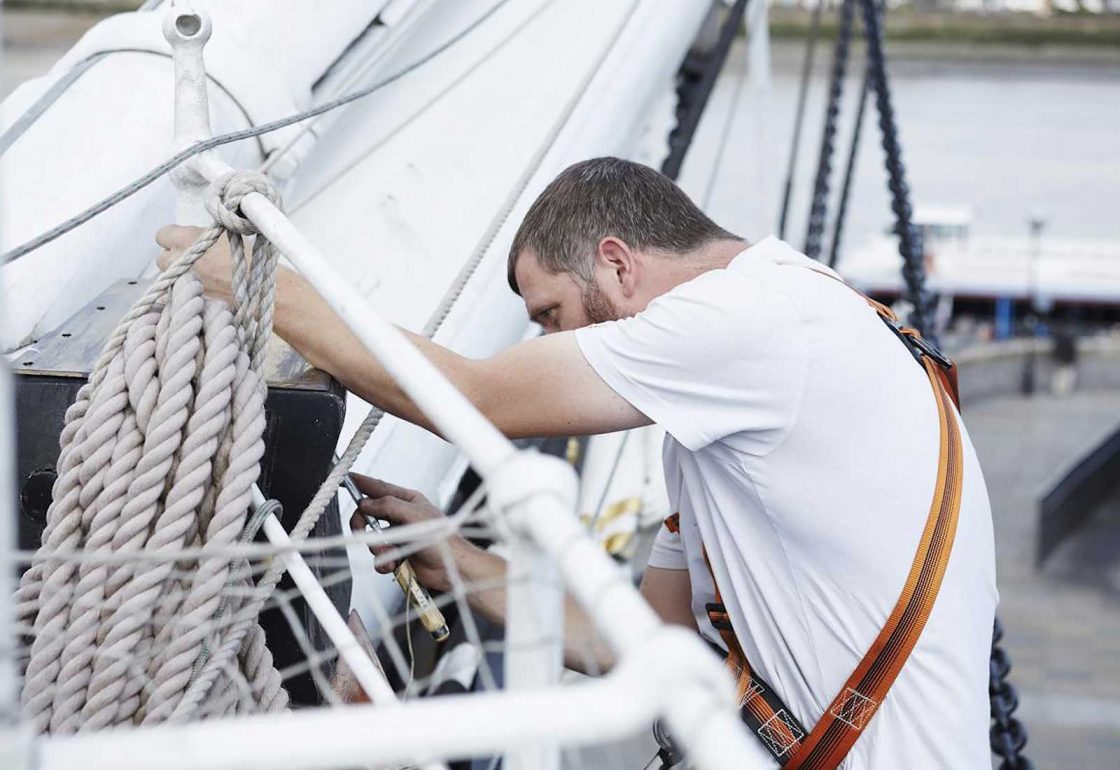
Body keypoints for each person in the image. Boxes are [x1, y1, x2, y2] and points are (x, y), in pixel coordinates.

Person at [157, 157, 997, 768]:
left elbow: (473, 398)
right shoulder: (728, 415)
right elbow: (637, 645)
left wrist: (257, 280)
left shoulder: (748, 318)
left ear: (618, 263)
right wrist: (455, 561)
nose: (550, 346)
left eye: (551, 314)